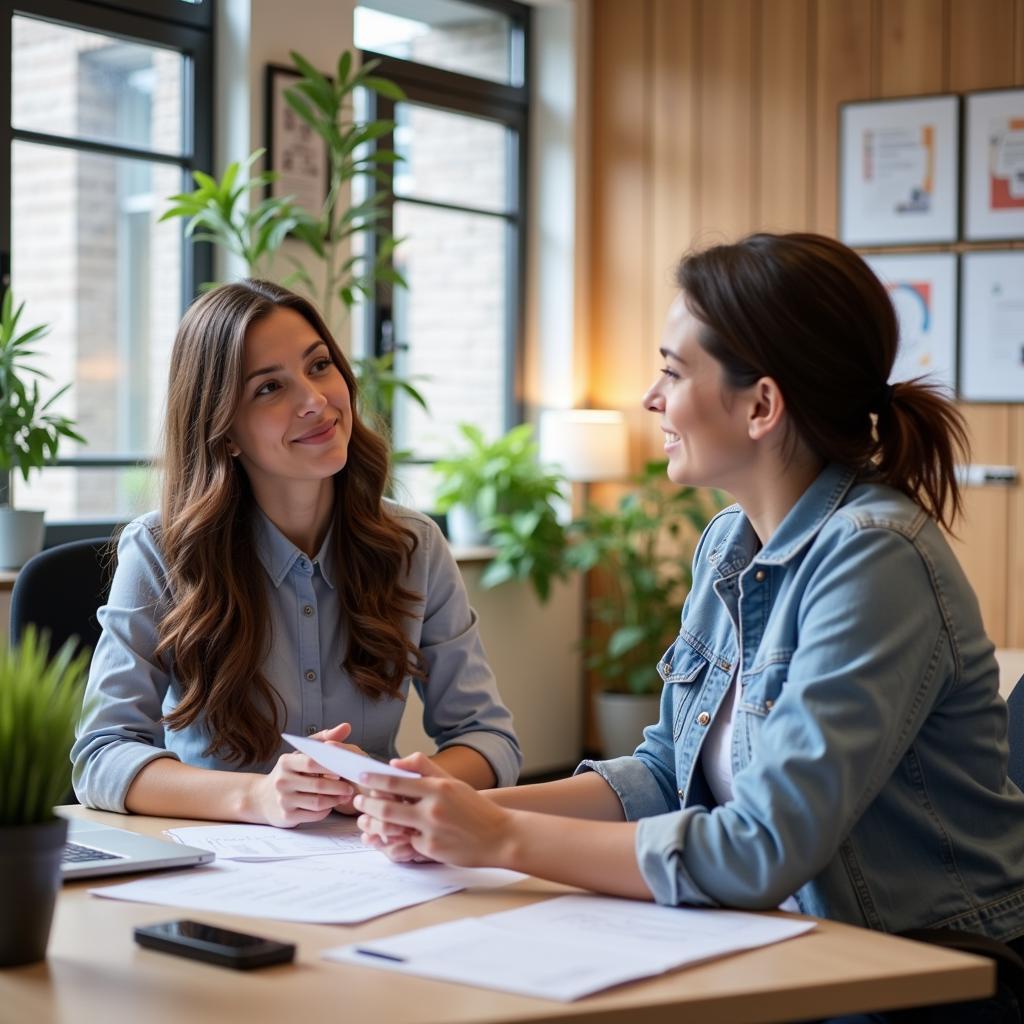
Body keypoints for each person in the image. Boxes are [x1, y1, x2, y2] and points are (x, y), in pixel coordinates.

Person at [355, 233, 1024, 1019]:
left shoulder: (875, 558)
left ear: (761, 405)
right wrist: (461, 810)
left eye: (672, 371)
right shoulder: (731, 542)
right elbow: (668, 776)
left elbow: (761, 849)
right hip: (783, 948)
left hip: (920, 974)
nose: (650, 397)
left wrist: (500, 840)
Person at [72, 279, 521, 826]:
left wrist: (391, 787)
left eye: (319, 366)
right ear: (224, 431)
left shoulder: (414, 546)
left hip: (371, 858)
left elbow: (487, 738)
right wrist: (257, 797)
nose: (315, 401)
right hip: (215, 868)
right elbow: (101, 756)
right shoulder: (163, 551)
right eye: (269, 388)